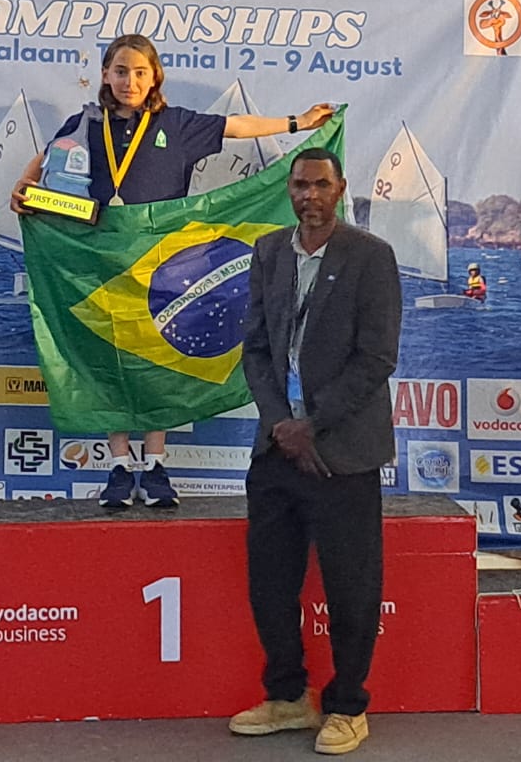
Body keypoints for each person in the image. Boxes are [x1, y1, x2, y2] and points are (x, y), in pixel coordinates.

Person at [10, 33, 333, 510]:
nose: (129, 81)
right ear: (105, 74)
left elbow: (237, 127)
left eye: (140, 72)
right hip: (102, 263)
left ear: (154, 77)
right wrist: (25, 182)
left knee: (159, 359)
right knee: (111, 360)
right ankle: (120, 466)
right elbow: (49, 154)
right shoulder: (85, 122)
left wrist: (297, 122)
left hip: (162, 265)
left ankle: (157, 465)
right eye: (121, 71)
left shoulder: (176, 124)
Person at [228, 147, 400, 756]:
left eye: (320, 185)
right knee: (270, 584)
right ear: (290, 191)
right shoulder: (270, 252)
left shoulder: (370, 256)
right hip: (277, 450)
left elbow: (377, 357)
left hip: (342, 452)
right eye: (300, 185)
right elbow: (255, 349)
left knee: (352, 585)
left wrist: (313, 424)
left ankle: (348, 705)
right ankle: (287, 697)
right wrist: (281, 424)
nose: (309, 196)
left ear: (340, 189)